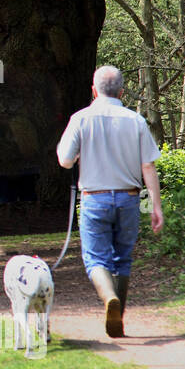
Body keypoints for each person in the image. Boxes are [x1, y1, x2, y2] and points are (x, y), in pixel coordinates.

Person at [56, 65, 164, 337]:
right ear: (122, 91)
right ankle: (119, 318)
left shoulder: (81, 118)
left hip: (95, 199)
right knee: (122, 259)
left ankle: (109, 300)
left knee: (95, 259)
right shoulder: (135, 120)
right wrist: (155, 207)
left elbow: (65, 161)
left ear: (93, 90)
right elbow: (148, 167)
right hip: (129, 198)